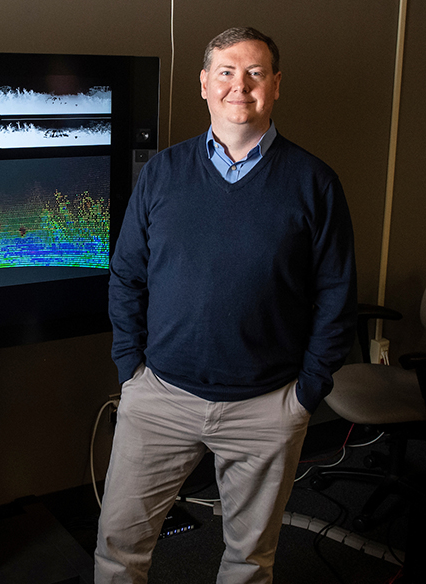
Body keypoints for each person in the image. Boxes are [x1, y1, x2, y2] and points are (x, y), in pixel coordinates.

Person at [95, 27, 358, 584]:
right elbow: (126, 275)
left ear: (276, 85)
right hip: (159, 399)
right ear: (204, 84)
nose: (240, 86)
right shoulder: (163, 174)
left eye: (255, 73)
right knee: (119, 549)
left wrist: (307, 392)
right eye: (226, 72)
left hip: (266, 408)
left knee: (248, 561)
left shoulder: (314, 182)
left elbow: (337, 295)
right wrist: (130, 370)